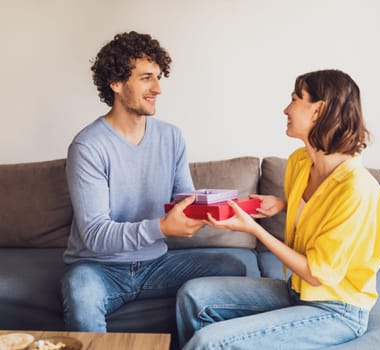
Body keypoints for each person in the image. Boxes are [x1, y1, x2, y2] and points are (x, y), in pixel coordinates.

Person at [176, 69, 380, 349]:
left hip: (337, 310)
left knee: (208, 342)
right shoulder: (301, 162)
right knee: (192, 295)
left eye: (295, 98)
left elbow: (316, 273)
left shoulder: (356, 188)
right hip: (297, 291)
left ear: (318, 110)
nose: (286, 108)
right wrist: (283, 204)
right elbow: (319, 210)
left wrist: (254, 230)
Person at [61, 31, 246, 332]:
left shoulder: (171, 137)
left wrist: (219, 210)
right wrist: (160, 227)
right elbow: (94, 234)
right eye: (147, 78)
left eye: (159, 78)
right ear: (116, 84)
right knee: (80, 291)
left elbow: (183, 200)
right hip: (98, 268)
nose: (158, 88)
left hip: (157, 265)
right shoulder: (88, 146)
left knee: (233, 267)